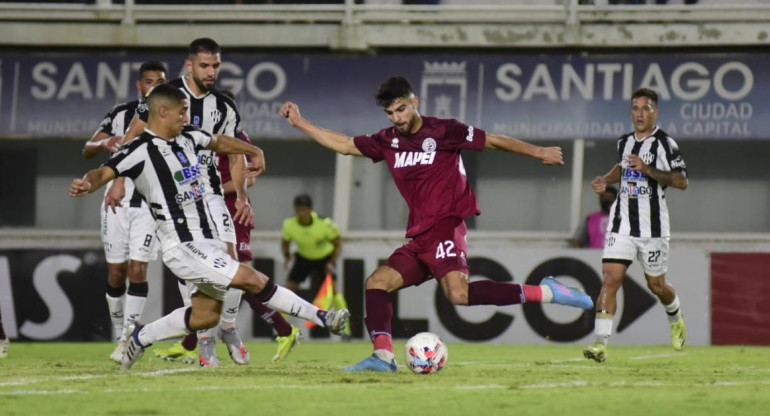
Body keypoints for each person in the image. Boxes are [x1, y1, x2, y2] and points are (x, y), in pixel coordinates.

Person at [279, 75, 594, 372]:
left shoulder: (445, 130)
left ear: (414, 101)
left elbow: (494, 141)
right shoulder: (387, 141)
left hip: (446, 225)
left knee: (458, 294)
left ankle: (547, 293)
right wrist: (300, 122)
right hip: (419, 237)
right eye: (390, 113)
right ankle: (383, 356)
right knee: (377, 283)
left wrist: (538, 152)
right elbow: (345, 144)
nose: (397, 118)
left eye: (401, 108)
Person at [69, 84, 350, 370]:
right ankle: (324, 317)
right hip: (182, 246)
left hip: (208, 240)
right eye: (181, 112)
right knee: (251, 278)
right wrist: (87, 184)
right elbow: (104, 171)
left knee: (205, 317)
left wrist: (254, 150)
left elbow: (220, 142)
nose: (186, 117)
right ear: (162, 112)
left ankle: (141, 337)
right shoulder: (138, 149)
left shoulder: (188, 136)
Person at [117, 38, 257, 367]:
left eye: (216, 65)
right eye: (205, 65)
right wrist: (119, 178)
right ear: (189, 64)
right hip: (170, 195)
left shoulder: (224, 106)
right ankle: (205, 340)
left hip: (210, 193)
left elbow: (235, 153)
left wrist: (242, 196)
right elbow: (134, 135)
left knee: (231, 260)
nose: (211, 72)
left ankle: (228, 327)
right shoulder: (164, 96)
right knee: (191, 268)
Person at [583, 87, 688, 363]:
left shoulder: (666, 144)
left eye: (645, 108)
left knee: (657, 286)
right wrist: (606, 180)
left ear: (655, 112)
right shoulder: (624, 142)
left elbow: (681, 181)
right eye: (635, 108)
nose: (639, 113)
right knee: (610, 279)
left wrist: (648, 169)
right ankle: (600, 344)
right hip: (622, 224)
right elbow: (621, 167)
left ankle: (675, 317)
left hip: (652, 229)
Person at [82, 60, 167, 364]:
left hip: (147, 202)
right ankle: (120, 331)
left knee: (137, 269)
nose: (154, 85)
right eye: (149, 81)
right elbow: (88, 148)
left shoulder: (169, 118)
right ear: (140, 85)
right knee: (116, 273)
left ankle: (126, 339)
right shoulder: (120, 113)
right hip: (115, 202)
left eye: (160, 81)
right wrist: (105, 141)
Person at [281, 193, 351, 338]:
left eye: (304, 209)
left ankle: (346, 331)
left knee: (335, 291)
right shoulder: (289, 224)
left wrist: (331, 262)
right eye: (298, 209)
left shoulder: (325, 223)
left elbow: (337, 244)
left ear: (310, 209)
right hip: (303, 257)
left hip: (324, 258)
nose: (301, 213)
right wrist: (287, 257)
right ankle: (280, 328)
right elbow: (285, 242)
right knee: (286, 290)